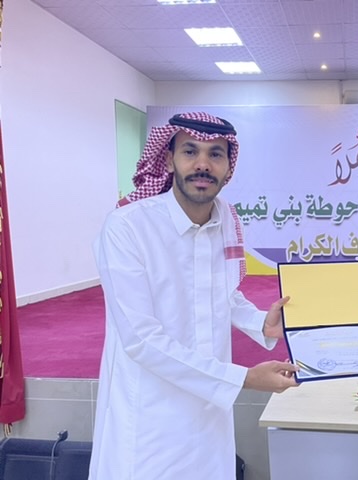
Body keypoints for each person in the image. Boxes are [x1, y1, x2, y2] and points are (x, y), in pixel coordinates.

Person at [89, 112, 299, 479]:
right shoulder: (127, 227)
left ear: (229, 167)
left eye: (215, 154)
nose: (203, 164)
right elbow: (141, 340)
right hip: (151, 417)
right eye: (190, 151)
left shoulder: (226, 217)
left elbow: (224, 293)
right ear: (169, 159)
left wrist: (260, 323)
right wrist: (243, 379)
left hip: (209, 415)